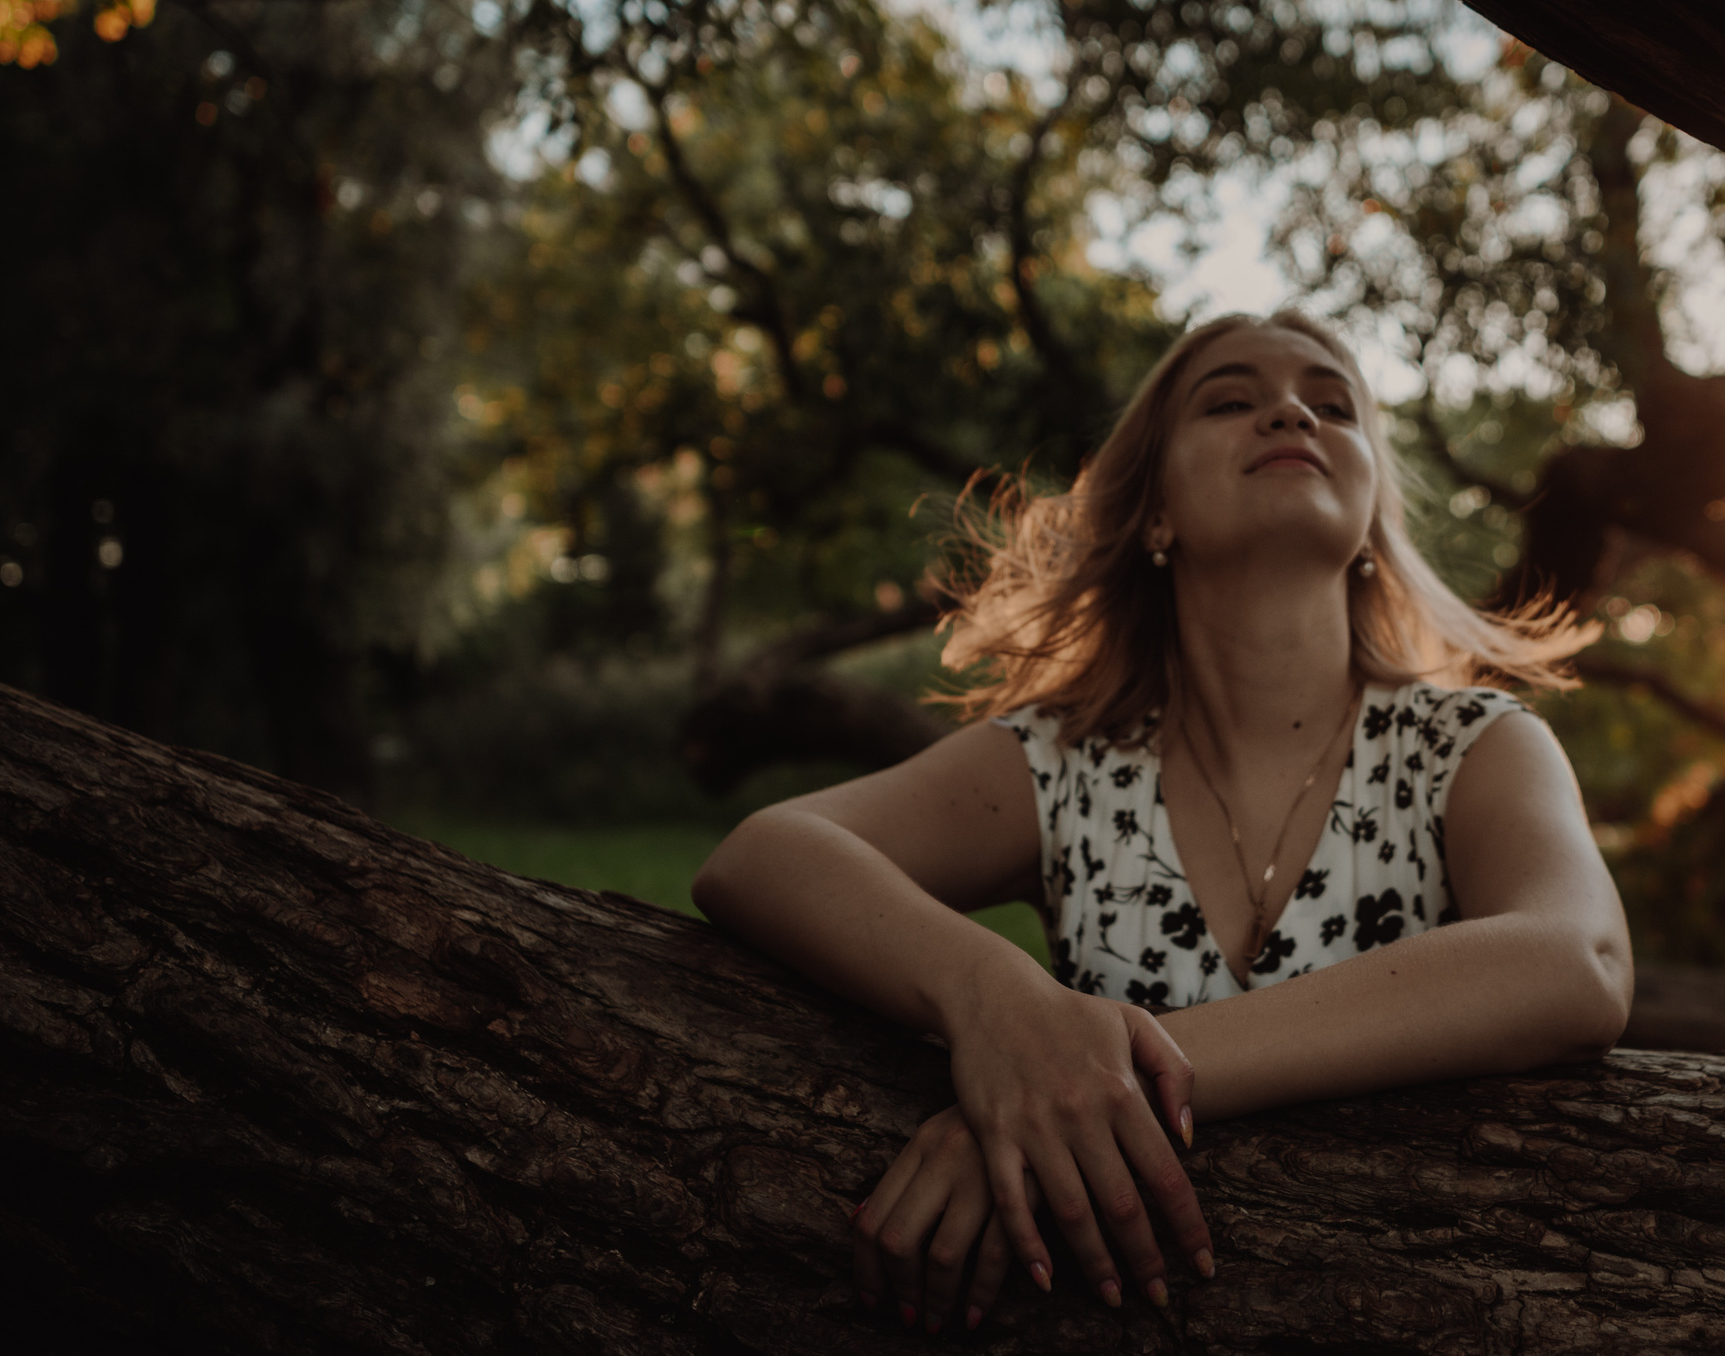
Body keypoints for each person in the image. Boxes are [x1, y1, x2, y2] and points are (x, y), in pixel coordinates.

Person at [692, 310, 1633, 1333]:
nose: (1290, 411)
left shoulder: (1473, 745)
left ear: (1371, 516)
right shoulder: (1061, 760)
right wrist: (999, 1005)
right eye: (1229, 400)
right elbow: (762, 854)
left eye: (1331, 404)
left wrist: (1091, 1081)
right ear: (1153, 513)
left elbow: (1574, 957)